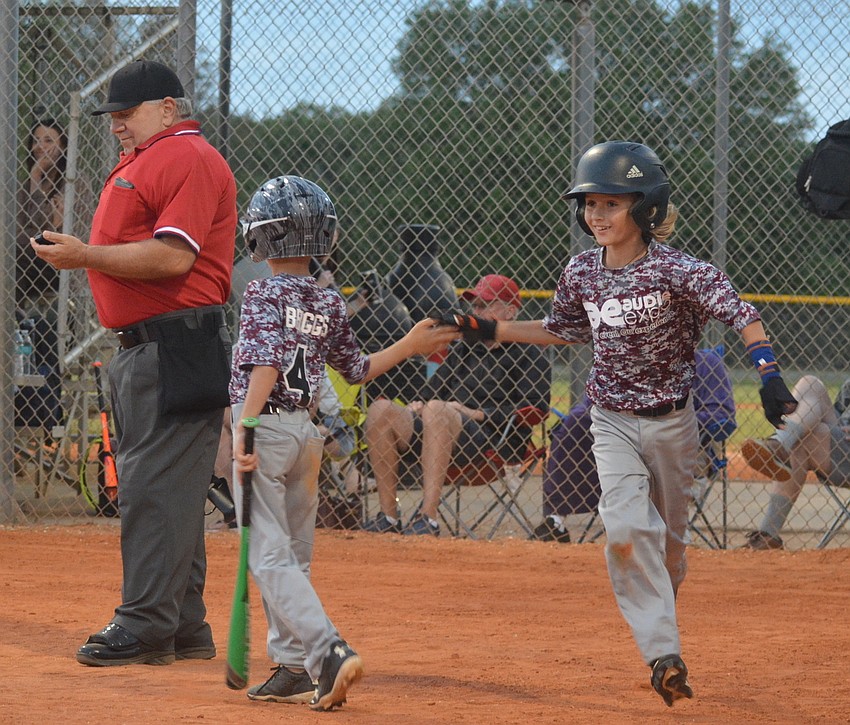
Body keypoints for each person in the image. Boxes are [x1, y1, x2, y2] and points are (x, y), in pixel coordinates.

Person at [440, 141, 797, 706]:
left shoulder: (679, 270)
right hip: (610, 420)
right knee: (627, 532)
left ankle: (664, 626)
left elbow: (742, 313)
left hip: (673, 426)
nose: (597, 216)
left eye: (611, 203)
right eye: (589, 204)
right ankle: (664, 656)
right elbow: (562, 329)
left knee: (672, 549)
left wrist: (769, 374)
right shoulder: (581, 271)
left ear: (645, 207)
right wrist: (489, 329)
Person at [32, 60, 238, 667]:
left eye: (128, 114)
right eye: (114, 117)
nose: (117, 125)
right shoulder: (152, 156)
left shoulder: (187, 157)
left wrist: (85, 255)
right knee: (169, 488)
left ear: (168, 109)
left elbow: (176, 258)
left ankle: (145, 625)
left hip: (174, 343)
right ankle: (183, 625)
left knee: (150, 488)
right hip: (152, 346)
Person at [229, 175, 458, 710]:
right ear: (325, 238)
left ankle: (327, 649)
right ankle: (291, 665)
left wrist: (245, 425)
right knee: (295, 557)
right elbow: (356, 369)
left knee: (268, 558)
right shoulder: (328, 300)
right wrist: (409, 343)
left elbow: (263, 363)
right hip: (307, 437)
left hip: (265, 427)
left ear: (261, 238)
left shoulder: (264, 290)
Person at [362, 274, 551, 536]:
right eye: (475, 306)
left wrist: (478, 414)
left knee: (439, 410)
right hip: (439, 431)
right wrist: (418, 404)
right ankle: (389, 517)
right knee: (381, 410)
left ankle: (428, 518)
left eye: (486, 305)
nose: (477, 312)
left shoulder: (529, 350)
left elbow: (536, 408)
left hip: (491, 440)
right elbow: (431, 392)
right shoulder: (466, 347)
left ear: (510, 311)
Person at [533, 347, 737, 543]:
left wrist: (666, 420)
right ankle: (556, 521)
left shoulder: (706, 363)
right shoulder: (623, 361)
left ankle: (660, 537)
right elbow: (591, 407)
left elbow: (721, 416)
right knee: (577, 423)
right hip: (622, 449)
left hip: (680, 448)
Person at [15, 119, 94, 431]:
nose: (41, 147)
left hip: (64, 285)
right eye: (37, 141)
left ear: (62, 148)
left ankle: (44, 414)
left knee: (47, 330)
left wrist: (56, 228)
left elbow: (77, 237)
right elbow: (23, 239)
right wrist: (35, 184)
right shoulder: (23, 187)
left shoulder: (77, 184)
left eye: (49, 141)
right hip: (26, 278)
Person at [740, 375, 850, 550]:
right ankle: (781, 442)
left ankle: (769, 534)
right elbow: (839, 411)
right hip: (842, 441)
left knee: (803, 437)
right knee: (811, 383)